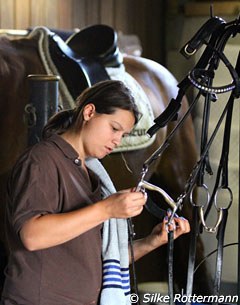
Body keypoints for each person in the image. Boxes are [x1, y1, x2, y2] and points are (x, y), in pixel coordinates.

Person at [1, 80, 190, 305]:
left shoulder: (90, 172)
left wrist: (152, 241)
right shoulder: (42, 160)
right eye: (114, 128)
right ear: (89, 112)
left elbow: (104, 259)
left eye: (123, 135)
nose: (117, 141)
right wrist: (107, 208)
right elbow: (32, 236)